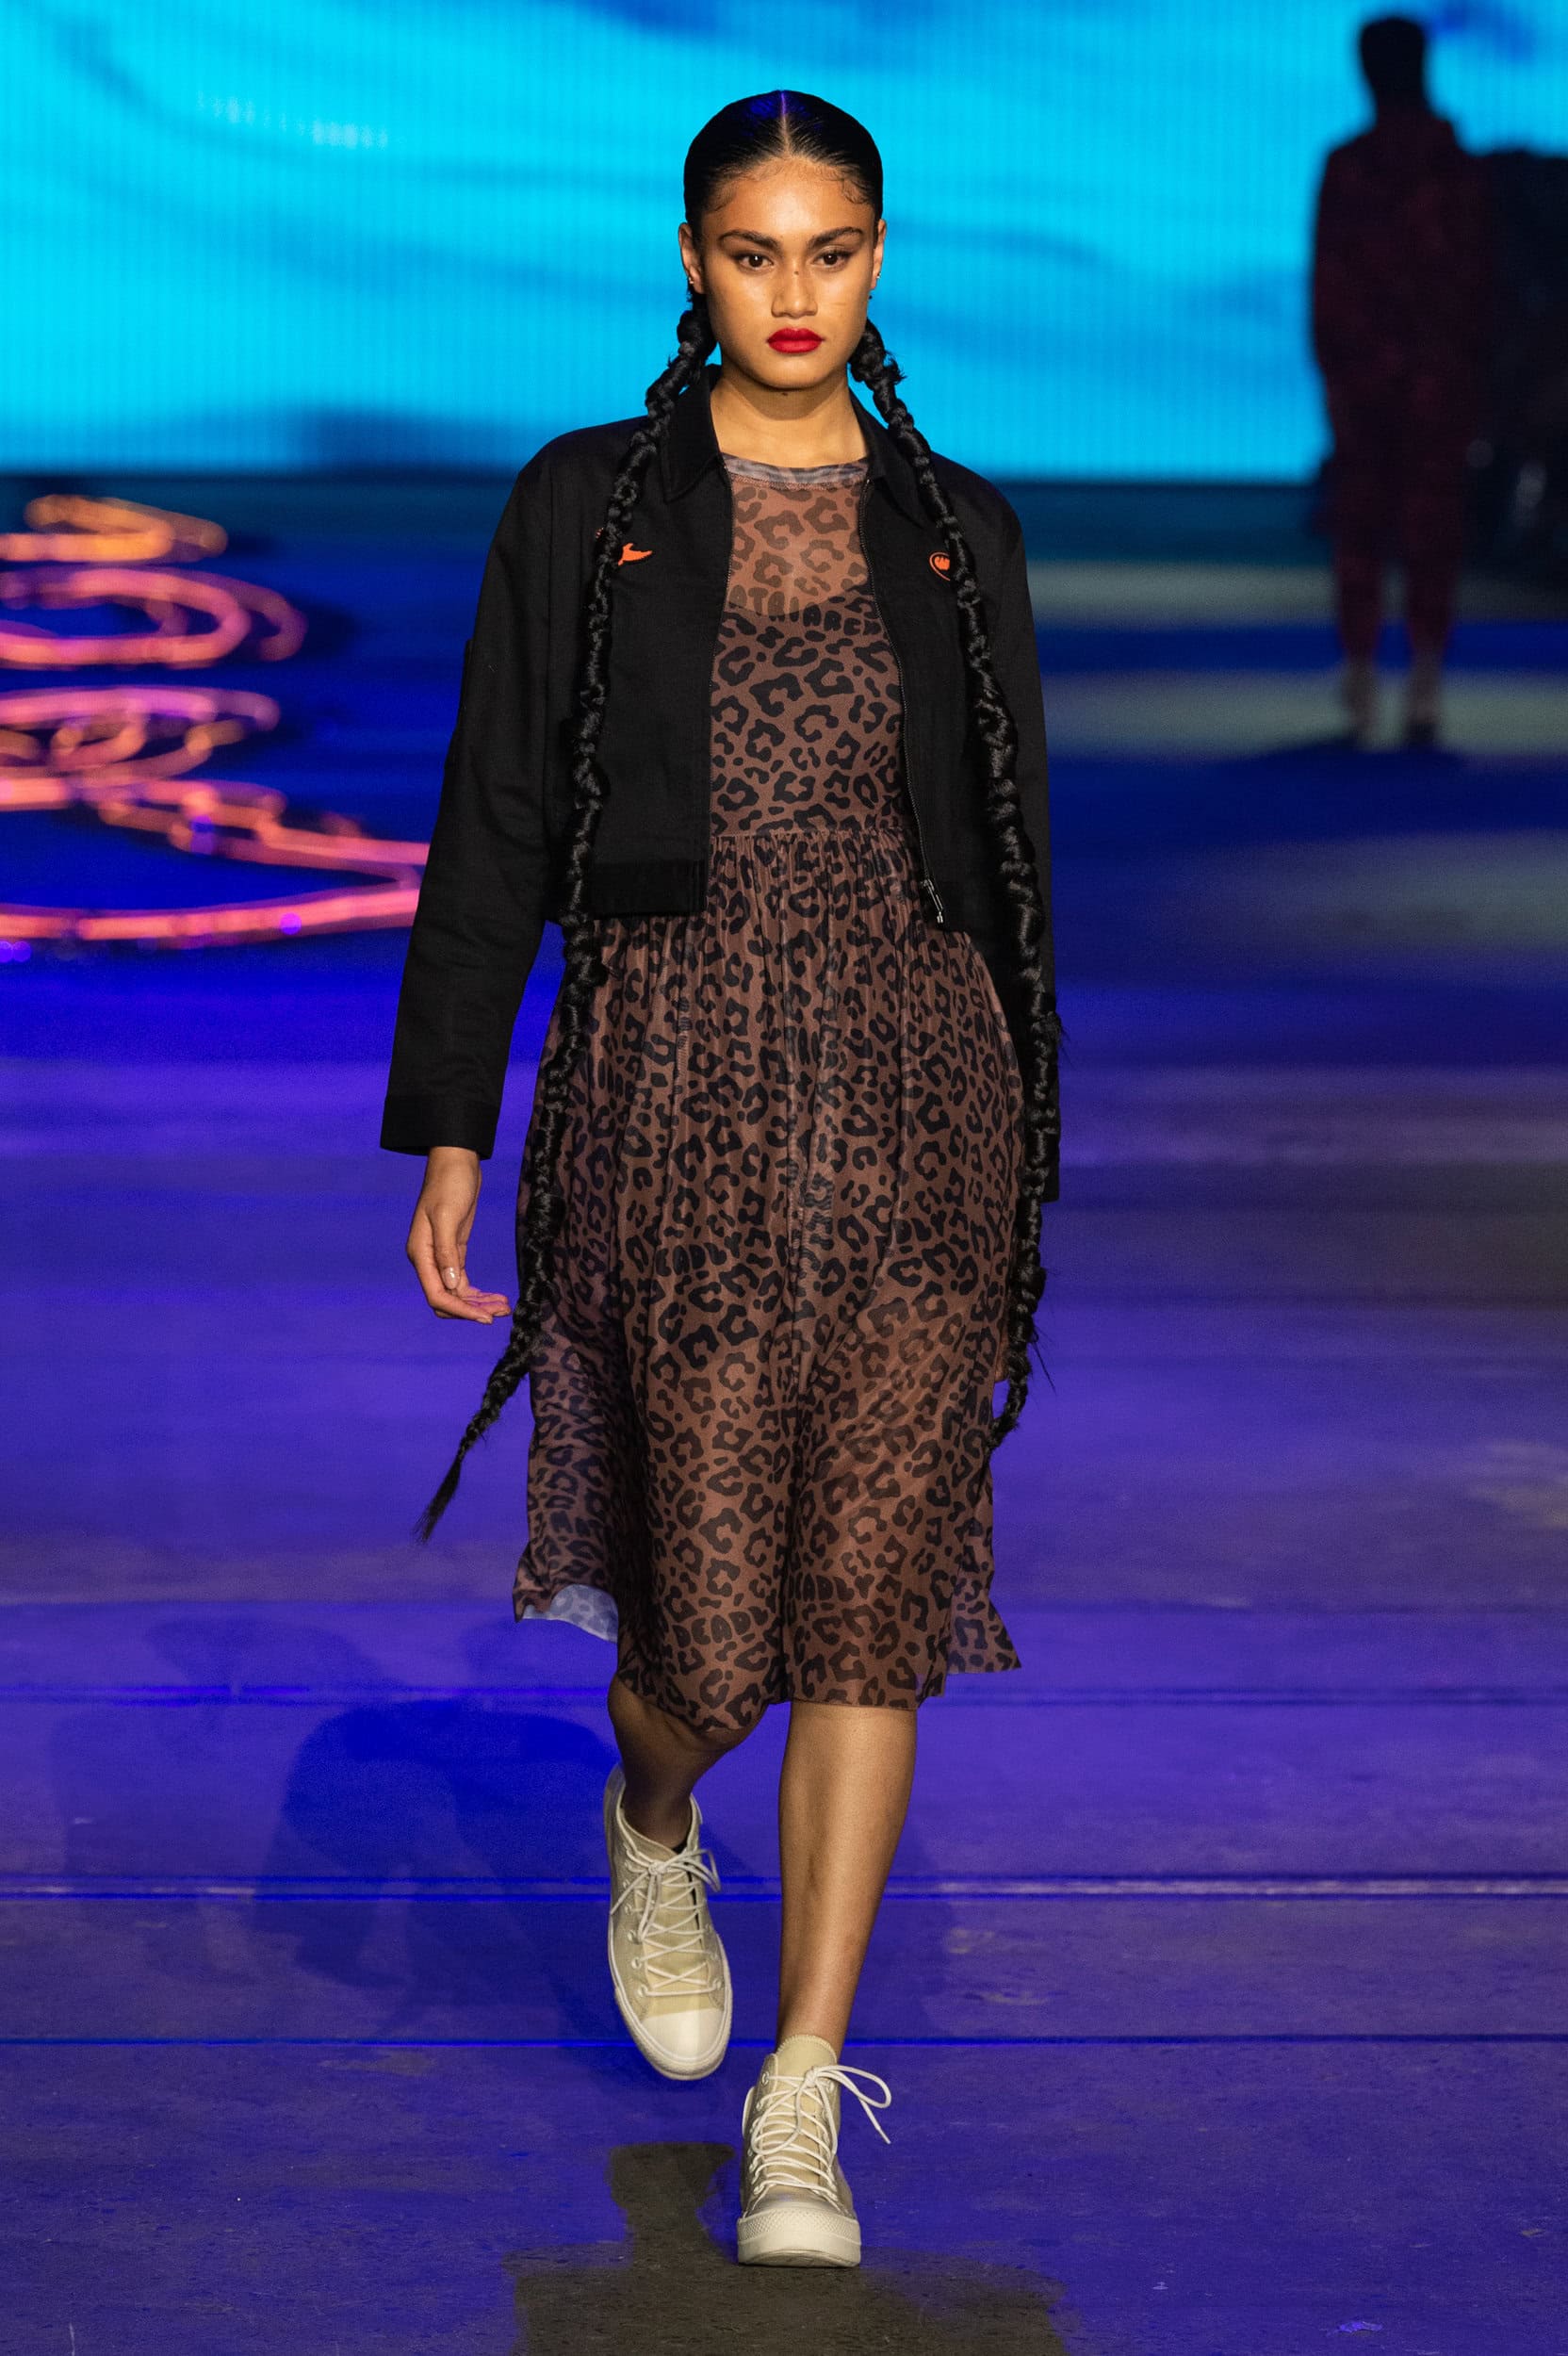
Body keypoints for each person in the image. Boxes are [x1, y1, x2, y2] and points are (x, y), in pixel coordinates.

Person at [381, 90, 1058, 2268]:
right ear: (689, 258)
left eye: (830, 250)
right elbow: (498, 810)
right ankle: (652, 1812)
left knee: (869, 1592)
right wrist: (456, 1119)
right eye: (753, 251)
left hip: (915, 1094)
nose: (793, 293)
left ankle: (800, 2092)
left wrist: (1027, 1154)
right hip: (670, 1081)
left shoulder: (954, 529)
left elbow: (1010, 869)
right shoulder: (586, 505)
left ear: (880, 260)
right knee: (710, 1629)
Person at [1312, 15, 1492, 746]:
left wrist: (1335, 376)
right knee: (1431, 533)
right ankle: (1423, 682)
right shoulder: (1457, 169)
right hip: (1439, 385)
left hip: (1367, 384)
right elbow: (1479, 289)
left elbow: (1329, 286)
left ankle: (1362, 678)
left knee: (1361, 530)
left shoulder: (1350, 166)